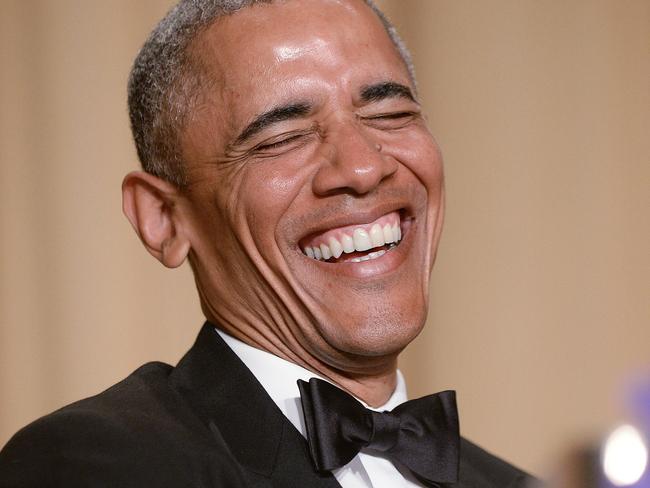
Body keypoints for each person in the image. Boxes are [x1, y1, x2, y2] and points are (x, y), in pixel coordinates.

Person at [0, 1, 534, 486]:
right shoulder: (97, 464)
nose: (365, 166)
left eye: (390, 114)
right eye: (282, 138)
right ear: (163, 218)